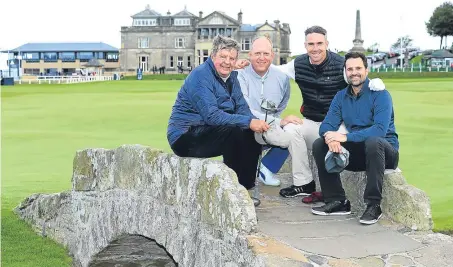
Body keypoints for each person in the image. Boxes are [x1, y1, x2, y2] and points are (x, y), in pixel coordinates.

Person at [235, 25, 385, 200]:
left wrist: (376, 82)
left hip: (340, 126)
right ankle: (303, 184)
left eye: (319, 43)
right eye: (311, 44)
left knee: (333, 139)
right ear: (305, 46)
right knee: (291, 129)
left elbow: (357, 76)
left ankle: (334, 193)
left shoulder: (341, 65)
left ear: (327, 44)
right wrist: (245, 63)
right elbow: (274, 68)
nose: (315, 48)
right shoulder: (298, 64)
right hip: (313, 122)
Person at [167, 35, 269, 207]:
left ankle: (244, 189)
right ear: (213, 56)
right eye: (223, 57)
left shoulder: (232, 78)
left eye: (232, 58)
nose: (227, 62)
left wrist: (255, 123)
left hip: (209, 130)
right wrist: (248, 122)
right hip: (185, 136)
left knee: (247, 129)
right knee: (236, 131)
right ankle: (232, 193)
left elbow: (242, 108)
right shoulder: (200, 75)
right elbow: (212, 116)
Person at [311, 52, 399, 225]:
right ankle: (337, 201)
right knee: (319, 144)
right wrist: (331, 139)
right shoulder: (341, 96)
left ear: (366, 70)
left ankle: (374, 205)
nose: (354, 72)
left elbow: (379, 130)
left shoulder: (381, 95)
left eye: (358, 68)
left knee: (373, 141)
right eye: (350, 69)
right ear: (345, 72)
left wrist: (344, 136)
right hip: (360, 153)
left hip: (385, 152)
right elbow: (326, 126)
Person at [237, 36, 307, 187]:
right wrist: (279, 121)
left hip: (270, 124)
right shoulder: (240, 74)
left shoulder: (282, 77)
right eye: (257, 54)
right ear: (250, 54)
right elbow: (244, 109)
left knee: (293, 130)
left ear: (272, 56)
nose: (261, 58)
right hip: (245, 125)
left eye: (266, 54)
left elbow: (281, 104)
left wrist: (277, 122)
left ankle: (267, 168)